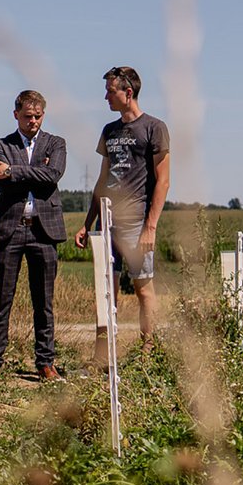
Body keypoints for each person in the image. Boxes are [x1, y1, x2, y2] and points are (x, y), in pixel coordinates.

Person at [75, 65, 170, 356]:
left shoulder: (154, 128)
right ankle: (103, 355)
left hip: (136, 223)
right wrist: (87, 223)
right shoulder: (109, 131)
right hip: (107, 223)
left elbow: (163, 181)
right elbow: (103, 180)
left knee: (143, 289)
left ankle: (148, 350)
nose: (106, 97)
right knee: (107, 293)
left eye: (110, 91)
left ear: (128, 93)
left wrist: (150, 226)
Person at [0, 90, 67, 381]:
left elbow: (53, 175)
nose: (33, 121)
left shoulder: (55, 143)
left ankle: (45, 362)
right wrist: (34, 171)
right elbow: (3, 184)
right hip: (11, 229)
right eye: (28, 116)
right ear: (16, 114)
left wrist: (15, 171)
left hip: (44, 231)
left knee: (43, 302)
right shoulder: (0, 145)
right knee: (2, 299)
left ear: (44, 115)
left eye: (38, 116)